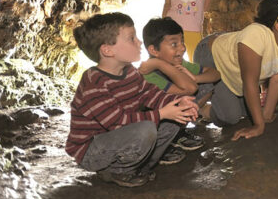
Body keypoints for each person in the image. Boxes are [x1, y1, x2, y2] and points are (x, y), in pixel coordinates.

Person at [66, 13, 200, 187]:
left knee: (175, 118)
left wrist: (177, 103)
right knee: (147, 128)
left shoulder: (129, 71)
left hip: (121, 136)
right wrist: (162, 113)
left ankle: (143, 167)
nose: (139, 42)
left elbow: (149, 93)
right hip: (92, 149)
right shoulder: (94, 82)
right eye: (131, 38)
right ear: (108, 50)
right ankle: (118, 171)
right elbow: (117, 122)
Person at [192, 0, 278, 140]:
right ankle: (203, 106)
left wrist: (266, 115)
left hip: (235, 66)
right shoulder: (256, 35)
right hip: (213, 58)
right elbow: (250, 82)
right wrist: (259, 126)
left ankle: (219, 96)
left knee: (248, 112)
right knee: (230, 117)